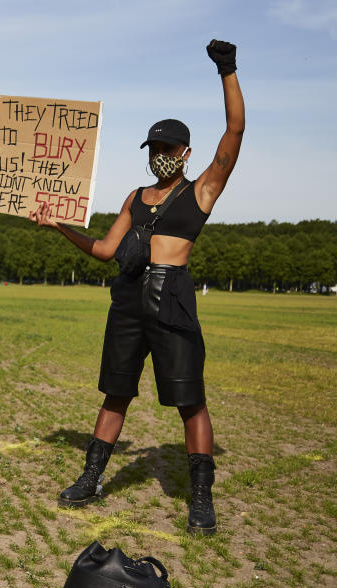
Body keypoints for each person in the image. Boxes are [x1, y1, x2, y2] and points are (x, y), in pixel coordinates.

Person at [30, 40, 243, 535]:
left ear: (185, 153)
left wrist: (227, 71)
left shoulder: (202, 189)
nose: (161, 158)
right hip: (127, 301)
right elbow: (106, 250)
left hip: (172, 299)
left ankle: (201, 500)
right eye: (154, 151)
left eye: (168, 150)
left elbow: (234, 130)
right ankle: (90, 478)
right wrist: (59, 227)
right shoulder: (135, 196)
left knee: (190, 400)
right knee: (116, 393)